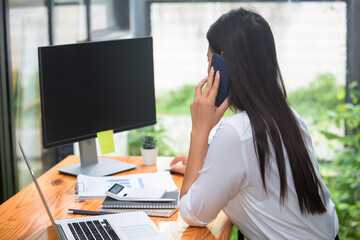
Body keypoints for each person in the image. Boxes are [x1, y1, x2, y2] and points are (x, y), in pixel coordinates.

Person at [169, 8, 339, 240]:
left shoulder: (236, 132)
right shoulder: (289, 116)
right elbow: (255, 172)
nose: (207, 71)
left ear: (223, 66)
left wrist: (199, 130)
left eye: (209, 61)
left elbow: (192, 213)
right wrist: (205, 166)